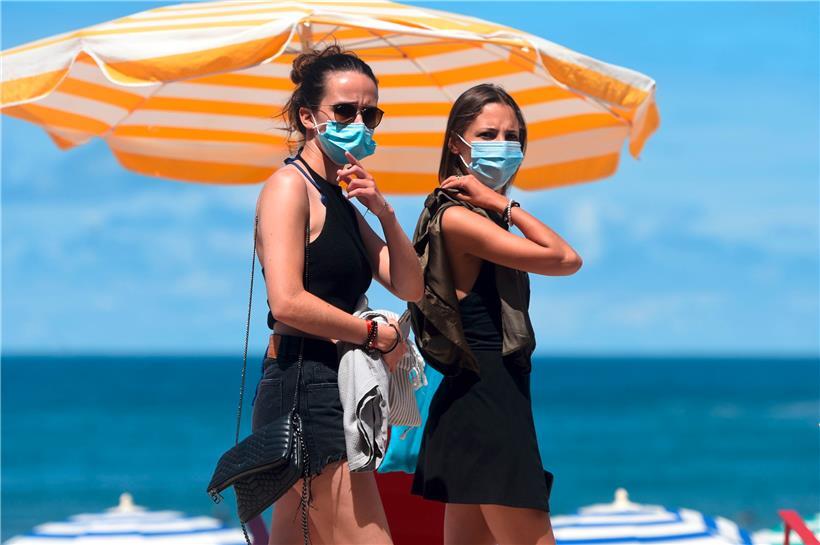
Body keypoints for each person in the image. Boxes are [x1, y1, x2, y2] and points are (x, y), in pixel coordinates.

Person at [252, 44, 423, 545]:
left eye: (371, 114)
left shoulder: (341, 201)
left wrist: (383, 211)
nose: (360, 123)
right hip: (305, 383)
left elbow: (410, 285)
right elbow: (286, 301)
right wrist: (373, 335)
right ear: (309, 117)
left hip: (329, 382)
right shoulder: (289, 187)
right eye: (346, 111)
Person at [408, 83, 583, 545]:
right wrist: (505, 204)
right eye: (487, 135)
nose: (502, 145)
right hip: (488, 400)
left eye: (512, 136)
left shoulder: (469, 217)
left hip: (472, 400)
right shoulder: (458, 218)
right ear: (456, 144)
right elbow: (565, 259)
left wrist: (495, 207)